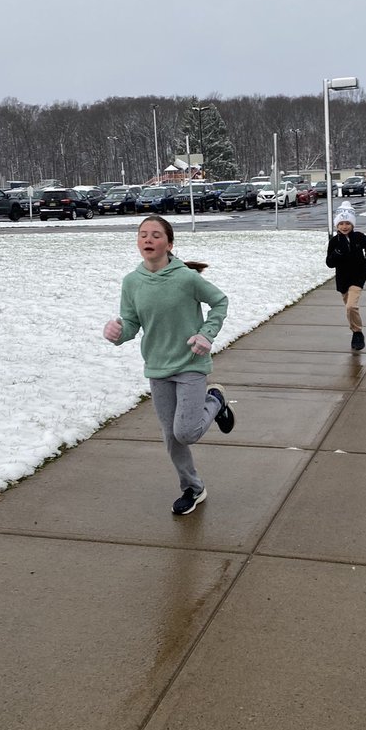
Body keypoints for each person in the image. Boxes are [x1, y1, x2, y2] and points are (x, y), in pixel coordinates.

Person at [102, 215, 234, 516]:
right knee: (172, 437)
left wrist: (206, 334)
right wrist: (117, 334)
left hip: (190, 363)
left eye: (156, 235)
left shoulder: (186, 278)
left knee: (185, 432)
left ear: (169, 244)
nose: (148, 239)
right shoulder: (132, 282)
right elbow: (132, 323)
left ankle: (215, 400)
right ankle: (193, 488)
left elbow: (220, 302)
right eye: (143, 234)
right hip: (158, 367)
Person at [326, 202, 366, 350]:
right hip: (343, 279)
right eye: (341, 223)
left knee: (351, 306)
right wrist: (337, 253)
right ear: (337, 225)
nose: (344, 226)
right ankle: (356, 330)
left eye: (348, 223)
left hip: (358, 276)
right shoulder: (334, 241)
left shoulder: (359, 237)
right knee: (350, 309)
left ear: (352, 224)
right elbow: (329, 263)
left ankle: (357, 333)